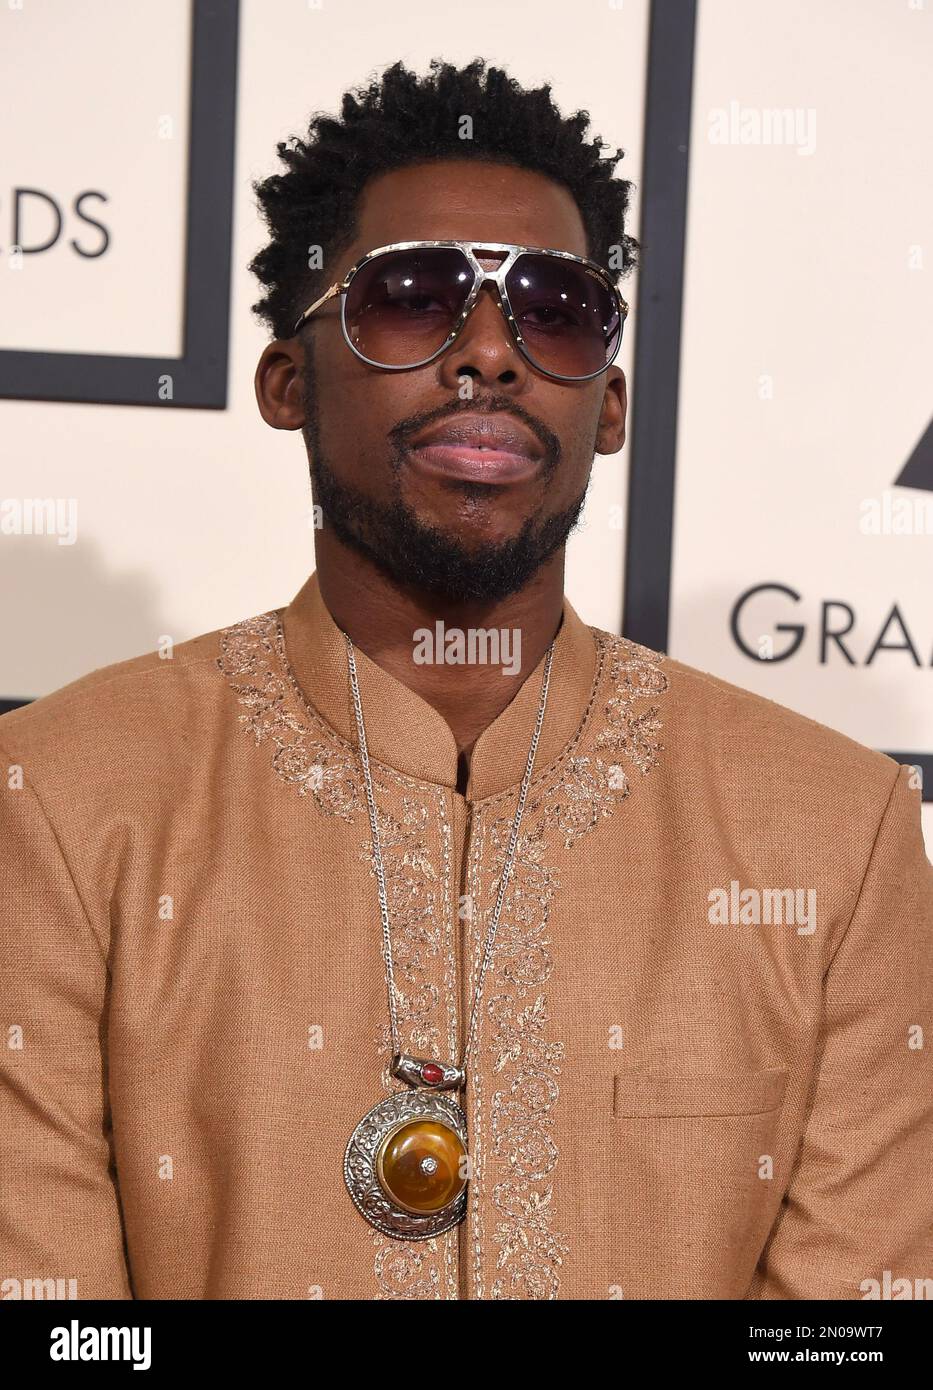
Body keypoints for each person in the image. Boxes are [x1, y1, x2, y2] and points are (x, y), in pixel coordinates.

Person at [1, 58, 930, 1302]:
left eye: (554, 308)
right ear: (289, 379)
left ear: (607, 405)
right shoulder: (62, 801)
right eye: (410, 297)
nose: (487, 352)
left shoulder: (832, 833)